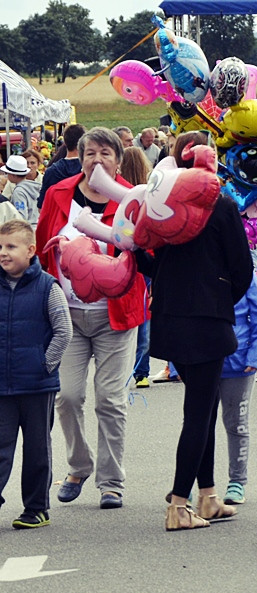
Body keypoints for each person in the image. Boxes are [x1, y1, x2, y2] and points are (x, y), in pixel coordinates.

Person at [133, 130, 254, 530]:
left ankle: (208, 496)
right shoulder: (220, 205)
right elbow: (242, 268)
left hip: (170, 316)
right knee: (199, 414)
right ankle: (179, 505)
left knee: (203, 406)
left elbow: (150, 263)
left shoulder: (161, 204)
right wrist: (220, 298)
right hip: (207, 319)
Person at [36, 127, 148, 511]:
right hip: (66, 316)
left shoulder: (133, 199)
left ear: (118, 160)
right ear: (80, 158)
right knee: (67, 396)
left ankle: (111, 482)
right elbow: (41, 249)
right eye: (90, 153)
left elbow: (146, 253)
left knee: (110, 400)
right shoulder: (58, 193)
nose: (97, 160)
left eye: (105, 153)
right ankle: (79, 466)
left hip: (115, 316)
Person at [0, 219, 72, 529]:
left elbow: (63, 331)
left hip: (37, 386)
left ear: (30, 250)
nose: (3, 253)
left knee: (37, 449)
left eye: (11, 247)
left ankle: (36, 508)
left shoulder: (47, 287)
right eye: (0, 246)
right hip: (2, 385)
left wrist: (45, 366)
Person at [219, 272, 257, 506]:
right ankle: (190, 482)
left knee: (237, 424)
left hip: (239, 362)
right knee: (197, 424)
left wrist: (256, 356)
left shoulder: (243, 271)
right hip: (200, 359)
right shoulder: (195, 264)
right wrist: (175, 364)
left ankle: (237, 481)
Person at [118, 147, 154, 388]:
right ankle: (142, 370)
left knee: (123, 313)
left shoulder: (117, 193)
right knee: (144, 315)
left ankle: (123, 368)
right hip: (146, 259)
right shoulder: (150, 193)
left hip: (122, 258)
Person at [38, 124, 85, 209]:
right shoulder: (89, 170)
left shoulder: (51, 171)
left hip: (59, 215)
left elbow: (41, 208)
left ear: (65, 142)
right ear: (84, 142)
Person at [2, 156, 40, 224]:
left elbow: (21, 217)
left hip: (27, 228)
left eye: (7, 173)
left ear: (13, 175)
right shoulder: (35, 186)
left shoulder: (18, 191)